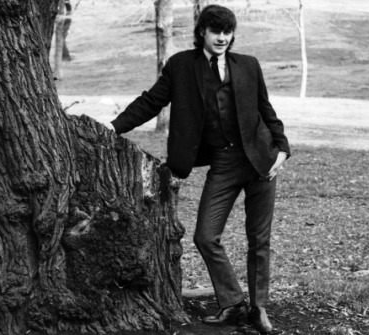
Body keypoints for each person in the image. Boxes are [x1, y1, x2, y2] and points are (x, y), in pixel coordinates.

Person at [109, 4, 290, 334]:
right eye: (215, 31)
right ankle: (234, 302)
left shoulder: (248, 65)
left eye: (227, 32)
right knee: (205, 236)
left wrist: (283, 150)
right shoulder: (181, 66)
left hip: (262, 160)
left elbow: (267, 109)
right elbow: (152, 101)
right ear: (202, 33)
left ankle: (258, 308)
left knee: (258, 239)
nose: (222, 37)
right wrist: (114, 127)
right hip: (223, 162)